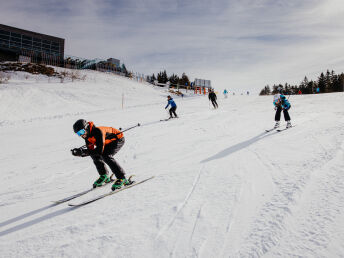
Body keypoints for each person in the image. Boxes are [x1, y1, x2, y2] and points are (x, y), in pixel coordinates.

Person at [71, 119, 131, 191]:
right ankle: (104, 175)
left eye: (81, 132)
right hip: (107, 143)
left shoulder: (97, 131)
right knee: (94, 155)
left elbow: (99, 151)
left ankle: (122, 178)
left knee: (106, 155)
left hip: (118, 139)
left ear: (86, 127)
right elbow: (91, 151)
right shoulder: (87, 137)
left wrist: (83, 152)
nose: (81, 135)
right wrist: (81, 153)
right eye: (78, 134)